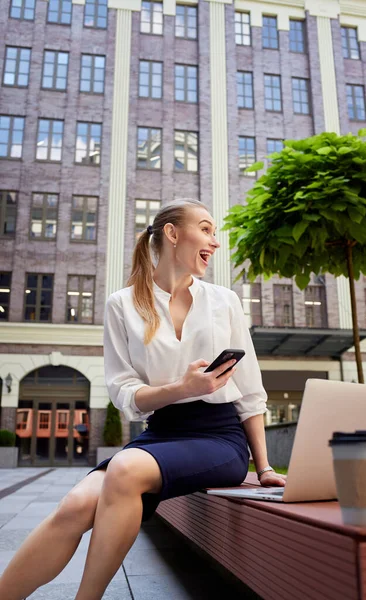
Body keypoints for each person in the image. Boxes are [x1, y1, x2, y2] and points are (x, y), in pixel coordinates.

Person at [0, 198, 286, 600]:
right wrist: (182, 390)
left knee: (126, 469)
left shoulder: (226, 302)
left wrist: (266, 465)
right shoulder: (122, 304)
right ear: (172, 234)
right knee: (74, 506)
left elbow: (252, 393)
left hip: (219, 439)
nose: (215, 242)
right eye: (205, 229)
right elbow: (124, 391)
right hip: (159, 435)